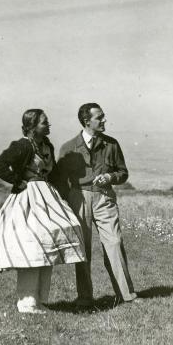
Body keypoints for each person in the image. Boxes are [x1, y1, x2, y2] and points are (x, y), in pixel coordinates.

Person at [0, 109, 86, 314]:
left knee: (48, 243)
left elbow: (52, 172)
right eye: (45, 122)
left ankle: (40, 300)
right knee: (32, 245)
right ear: (32, 126)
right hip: (27, 199)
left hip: (48, 198)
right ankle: (27, 302)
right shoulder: (22, 146)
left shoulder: (47, 146)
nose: (49, 125)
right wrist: (18, 181)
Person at [56, 103, 137, 306]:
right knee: (83, 249)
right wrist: (70, 200)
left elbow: (123, 173)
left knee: (115, 243)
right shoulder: (68, 148)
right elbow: (59, 180)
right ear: (87, 121)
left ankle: (126, 295)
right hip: (78, 199)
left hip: (104, 198)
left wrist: (110, 176)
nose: (104, 121)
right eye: (99, 117)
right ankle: (85, 298)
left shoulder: (112, 144)